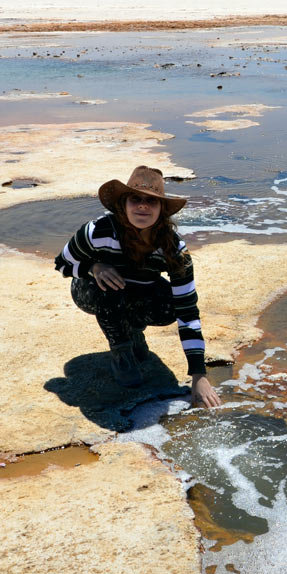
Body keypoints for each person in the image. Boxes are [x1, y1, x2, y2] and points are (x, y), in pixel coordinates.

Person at [55, 166, 221, 408]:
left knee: (170, 306)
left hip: (139, 292)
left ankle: (133, 332)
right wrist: (94, 267)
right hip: (93, 289)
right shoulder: (97, 231)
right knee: (109, 288)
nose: (143, 206)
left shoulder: (173, 249)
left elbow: (187, 311)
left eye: (152, 201)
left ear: (161, 209)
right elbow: (62, 264)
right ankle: (122, 352)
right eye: (136, 199)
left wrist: (199, 376)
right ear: (124, 203)